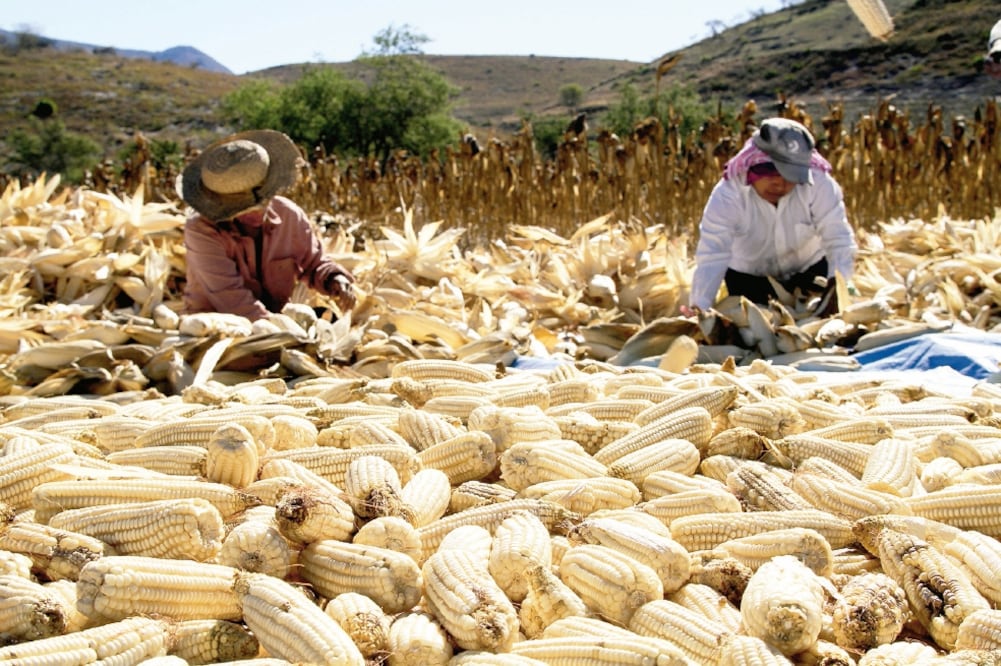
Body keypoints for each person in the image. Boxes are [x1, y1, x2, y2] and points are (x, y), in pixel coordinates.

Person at [177, 129, 356, 321]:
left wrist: (334, 278)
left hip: (275, 320)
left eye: (262, 202)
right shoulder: (201, 230)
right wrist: (278, 327)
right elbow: (231, 297)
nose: (256, 211)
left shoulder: (288, 215)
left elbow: (314, 262)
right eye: (242, 209)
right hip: (214, 325)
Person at [686, 117, 857, 316]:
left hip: (809, 274)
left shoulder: (819, 184)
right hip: (749, 281)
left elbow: (838, 238)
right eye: (771, 172)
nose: (780, 183)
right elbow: (713, 253)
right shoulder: (729, 195)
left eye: (790, 175)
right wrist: (700, 307)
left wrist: (839, 290)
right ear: (754, 166)